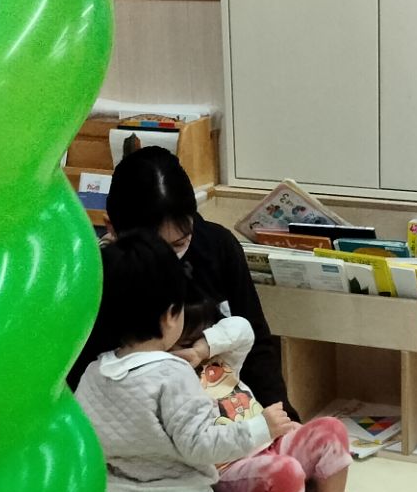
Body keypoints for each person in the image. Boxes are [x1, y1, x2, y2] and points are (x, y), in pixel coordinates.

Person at [77, 233, 292, 492]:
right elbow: (202, 445)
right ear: (170, 315)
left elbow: (87, 443)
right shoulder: (172, 374)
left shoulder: (93, 374)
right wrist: (262, 426)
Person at [72, 145, 289, 413]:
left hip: (223, 409)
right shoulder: (99, 277)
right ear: (113, 229)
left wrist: (284, 420)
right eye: (152, 248)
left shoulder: (217, 247)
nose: (166, 263)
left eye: (178, 244)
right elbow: (82, 378)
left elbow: (256, 343)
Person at [176, 301, 353, 492]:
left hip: (270, 443)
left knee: (332, 428)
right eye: (185, 344)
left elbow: (242, 328)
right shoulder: (172, 381)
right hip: (231, 467)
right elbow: (201, 445)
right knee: (285, 471)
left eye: (200, 338)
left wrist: (204, 348)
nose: (191, 351)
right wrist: (261, 427)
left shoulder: (223, 360)